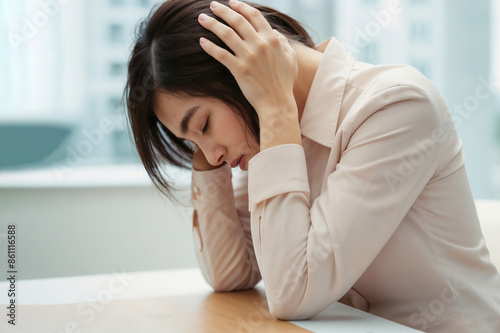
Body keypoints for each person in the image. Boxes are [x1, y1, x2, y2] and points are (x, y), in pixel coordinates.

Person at [123, 0, 500, 331]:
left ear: (243, 73)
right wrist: (211, 152)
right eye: (192, 143)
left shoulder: (395, 105)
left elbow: (294, 293)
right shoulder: (273, 135)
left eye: (203, 125)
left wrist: (274, 109)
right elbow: (233, 273)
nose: (212, 154)